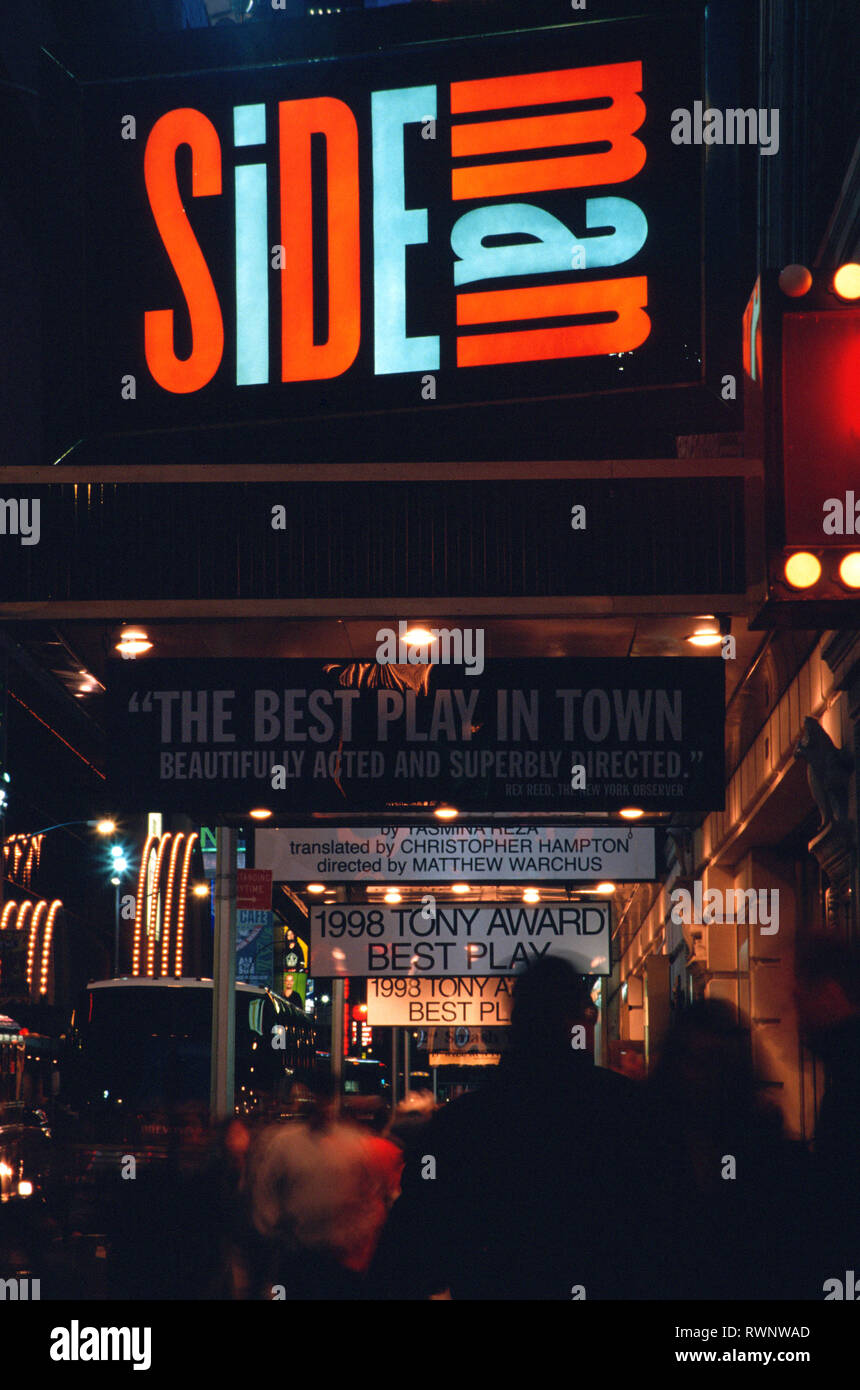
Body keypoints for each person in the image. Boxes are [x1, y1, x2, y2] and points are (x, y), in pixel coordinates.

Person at [369, 956, 651, 1300]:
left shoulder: (463, 1125)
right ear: (574, 1025)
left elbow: (407, 1256)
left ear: (515, 1026)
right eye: (589, 1016)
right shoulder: (627, 1111)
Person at [794, 936, 860, 1288]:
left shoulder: (848, 1074)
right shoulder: (841, 1068)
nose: (796, 1017)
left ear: (830, 994)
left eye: (799, 999)